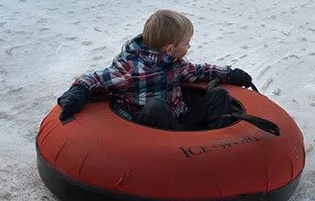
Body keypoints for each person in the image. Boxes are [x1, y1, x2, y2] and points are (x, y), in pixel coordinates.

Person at [56, 10, 254, 131]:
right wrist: (78, 90)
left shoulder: (177, 63)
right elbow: (96, 78)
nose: (189, 47)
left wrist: (229, 73)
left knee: (219, 95)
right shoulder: (130, 67)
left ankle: (216, 144)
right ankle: (180, 154)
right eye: (187, 43)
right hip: (149, 127)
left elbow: (200, 70)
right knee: (156, 106)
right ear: (170, 48)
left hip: (180, 116)